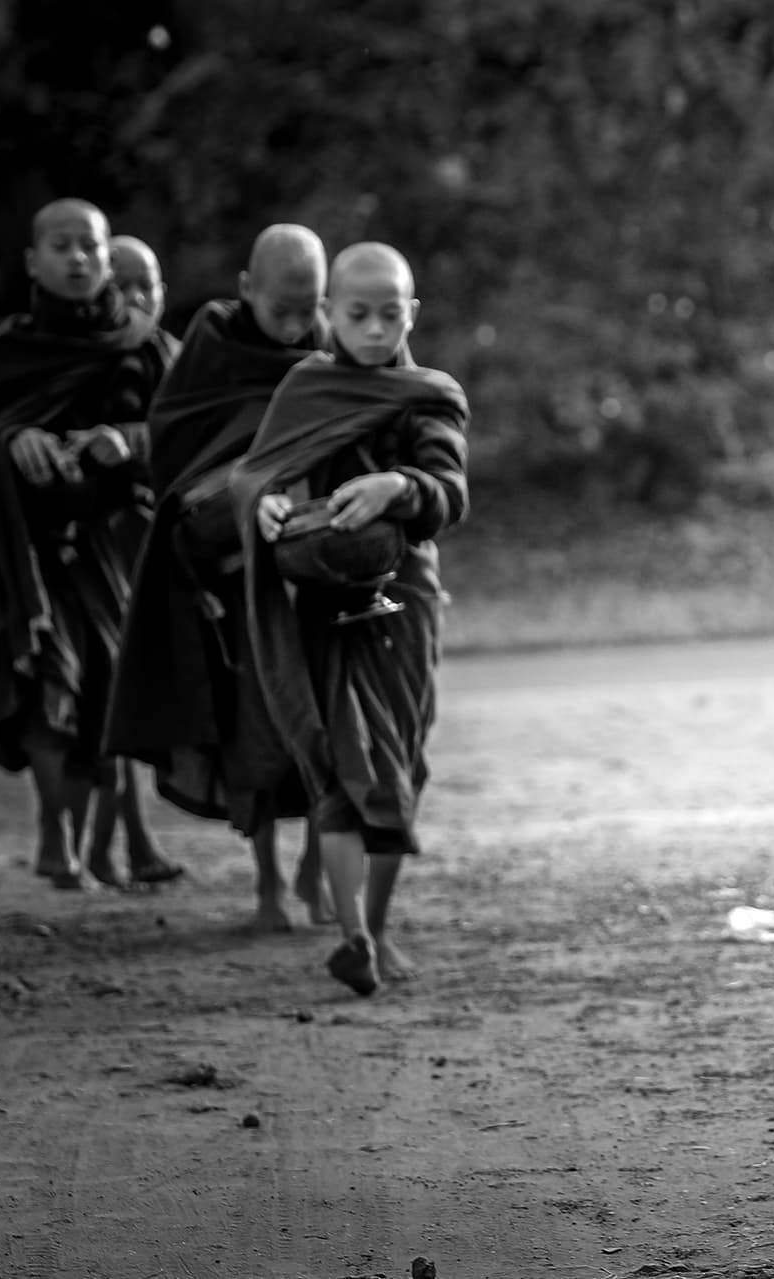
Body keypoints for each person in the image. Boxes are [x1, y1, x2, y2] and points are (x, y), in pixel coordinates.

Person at [229, 241, 470, 994]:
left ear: (412, 314)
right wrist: (267, 503)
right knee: (337, 768)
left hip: (404, 600)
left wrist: (398, 486)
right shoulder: (306, 386)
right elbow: (257, 473)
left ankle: (379, 927)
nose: (373, 329)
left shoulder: (429, 396)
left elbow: (450, 493)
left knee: (394, 762)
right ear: (328, 312)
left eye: (389, 315)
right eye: (357, 314)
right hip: (322, 598)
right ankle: (355, 936)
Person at [0, 197, 183, 890]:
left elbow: (188, 434)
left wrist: (127, 442)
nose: (78, 258)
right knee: (50, 682)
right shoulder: (11, 349)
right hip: (28, 546)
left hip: (114, 546)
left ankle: (84, 836)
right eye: (62, 245)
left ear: (107, 255)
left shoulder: (145, 347)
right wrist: (9, 442)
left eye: (91, 246)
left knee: (106, 695)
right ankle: (55, 826)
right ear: (33, 261)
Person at [105, 224, 334, 931]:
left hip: (317, 576)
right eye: (281, 311)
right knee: (255, 737)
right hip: (235, 584)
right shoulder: (212, 347)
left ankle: (315, 868)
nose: (295, 326)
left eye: (309, 309)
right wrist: (238, 491)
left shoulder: (338, 345)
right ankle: (267, 885)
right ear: (246, 290)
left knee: (329, 727)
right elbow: (174, 448)